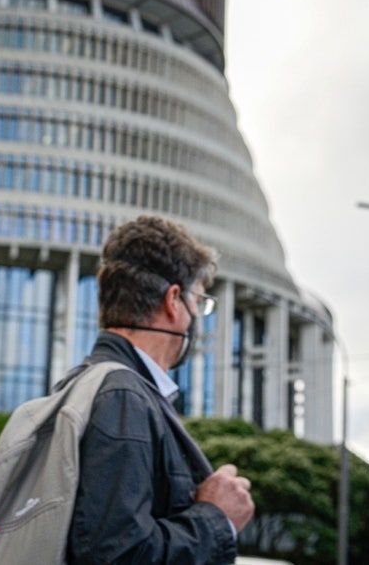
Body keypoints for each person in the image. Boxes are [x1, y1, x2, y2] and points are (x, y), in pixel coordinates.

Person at [67, 216, 254, 563]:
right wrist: (217, 518)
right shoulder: (123, 397)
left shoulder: (86, 385)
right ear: (173, 300)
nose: (198, 315)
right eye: (199, 301)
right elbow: (118, 556)